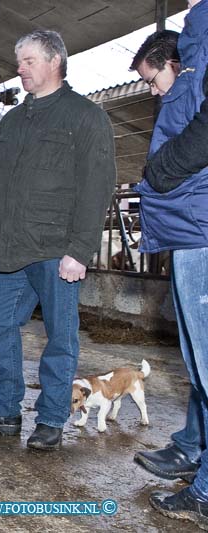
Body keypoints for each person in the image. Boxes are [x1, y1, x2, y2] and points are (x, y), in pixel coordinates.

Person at [0, 30, 116, 451]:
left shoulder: (85, 116)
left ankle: (51, 417)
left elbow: (97, 187)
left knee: (60, 336)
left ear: (54, 61)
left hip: (56, 249)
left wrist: (80, 250)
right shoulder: (11, 121)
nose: (20, 68)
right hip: (10, 246)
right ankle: (4, 410)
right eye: (19, 61)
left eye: (27, 60)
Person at [128, 2, 208, 526]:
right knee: (198, 365)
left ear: (172, 63)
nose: (153, 92)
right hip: (190, 232)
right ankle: (195, 451)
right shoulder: (196, 60)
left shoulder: (195, 67)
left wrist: (158, 173)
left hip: (200, 232)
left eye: (152, 80)